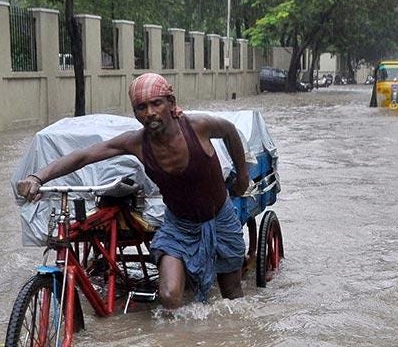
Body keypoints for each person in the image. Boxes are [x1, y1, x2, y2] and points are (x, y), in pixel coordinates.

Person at [16, 72, 250, 309]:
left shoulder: (198, 126)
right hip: (179, 226)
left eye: (156, 103)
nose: (149, 113)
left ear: (171, 103)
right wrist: (38, 177)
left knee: (231, 293)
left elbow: (230, 131)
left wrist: (242, 176)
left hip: (220, 218)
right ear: (135, 113)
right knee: (169, 296)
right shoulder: (136, 142)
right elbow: (85, 156)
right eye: (141, 107)